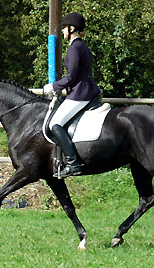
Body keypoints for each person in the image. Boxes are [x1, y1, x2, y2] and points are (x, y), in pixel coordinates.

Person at [43, 12, 101, 178]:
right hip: (85, 91)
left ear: (72, 28)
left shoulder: (75, 47)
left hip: (80, 94)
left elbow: (71, 77)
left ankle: (74, 163)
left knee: (55, 123)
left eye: (64, 28)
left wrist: (53, 86)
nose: (62, 31)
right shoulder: (81, 46)